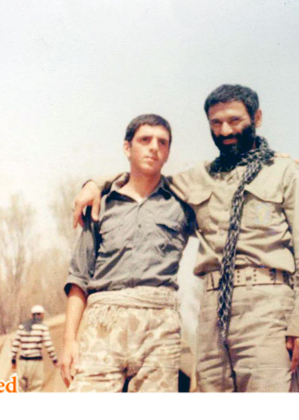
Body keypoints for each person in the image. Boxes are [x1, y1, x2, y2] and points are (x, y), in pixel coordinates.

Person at [74, 85, 299, 392]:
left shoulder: (284, 172)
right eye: (216, 123)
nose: (225, 130)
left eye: (235, 120)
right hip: (212, 312)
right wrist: (96, 183)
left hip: (268, 306)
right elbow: (145, 177)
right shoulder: (198, 178)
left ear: (257, 118)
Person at [60, 114, 194, 392]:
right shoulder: (101, 205)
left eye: (162, 142)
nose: (154, 147)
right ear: (127, 147)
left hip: (160, 326)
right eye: (145, 140)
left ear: (168, 152)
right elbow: (79, 277)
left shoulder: (182, 203)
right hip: (104, 324)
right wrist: (69, 340)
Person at [10, 304, 58, 392]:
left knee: (21, 388)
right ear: (41, 315)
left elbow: (15, 344)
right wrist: (54, 359)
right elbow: (48, 345)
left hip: (22, 362)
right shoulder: (42, 327)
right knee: (36, 387)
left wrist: (13, 360)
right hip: (35, 362)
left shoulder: (22, 327)